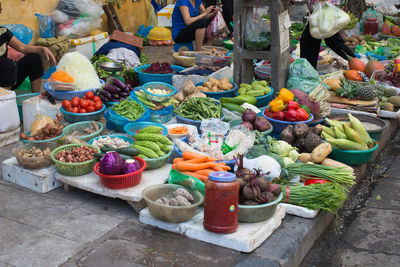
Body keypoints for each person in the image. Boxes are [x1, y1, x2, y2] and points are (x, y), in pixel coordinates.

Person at [0, 3, 56, 93]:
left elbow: (23, 47)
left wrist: (42, 49)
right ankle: (5, 100)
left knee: (33, 58)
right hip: (4, 77)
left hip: (6, 78)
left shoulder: (3, 31)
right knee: (7, 64)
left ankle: (35, 99)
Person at [300, 0, 355, 69]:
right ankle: (355, 61)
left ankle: (308, 70)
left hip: (324, 8)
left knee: (309, 41)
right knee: (332, 41)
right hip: (321, 8)